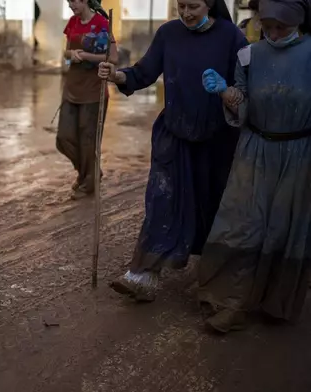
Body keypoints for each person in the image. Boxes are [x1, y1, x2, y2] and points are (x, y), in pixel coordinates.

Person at [97, 0, 247, 301]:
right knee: (162, 199)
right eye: (181, 6)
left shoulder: (232, 37)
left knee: (213, 206)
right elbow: (143, 73)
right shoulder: (168, 34)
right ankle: (142, 275)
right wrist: (117, 76)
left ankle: (213, 280)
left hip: (217, 139)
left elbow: (246, 88)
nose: (187, 13)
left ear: (210, 4)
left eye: (194, 6)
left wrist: (227, 93)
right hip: (174, 133)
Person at [198, 0, 311, 333]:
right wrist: (226, 93)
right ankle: (230, 302)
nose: (273, 35)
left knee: (282, 230)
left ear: (300, 21)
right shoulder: (249, 55)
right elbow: (242, 102)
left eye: (282, 28)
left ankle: (274, 300)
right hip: (254, 148)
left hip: (300, 154)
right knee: (241, 223)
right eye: (267, 26)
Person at [57, 0, 119, 200]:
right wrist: (71, 55)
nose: (70, 5)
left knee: (88, 141)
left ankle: (88, 182)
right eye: (68, 2)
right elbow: (65, 56)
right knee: (64, 138)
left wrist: (86, 56)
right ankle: (88, 173)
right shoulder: (72, 22)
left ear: (85, 0)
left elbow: (113, 58)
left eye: (73, 1)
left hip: (93, 91)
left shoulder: (101, 23)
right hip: (71, 88)